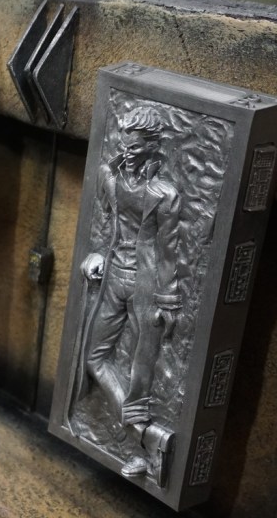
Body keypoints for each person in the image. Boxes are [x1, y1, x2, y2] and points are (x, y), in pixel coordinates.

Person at [75, 105, 180, 477]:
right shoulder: (110, 175)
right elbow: (107, 222)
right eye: (124, 143)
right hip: (113, 278)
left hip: (145, 286)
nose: (127, 151)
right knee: (94, 358)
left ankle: (142, 451)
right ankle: (147, 437)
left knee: (141, 373)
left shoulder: (165, 194)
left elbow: (169, 252)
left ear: (152, 145)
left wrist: (168, 301)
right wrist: (96, 253)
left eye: (135, 146)